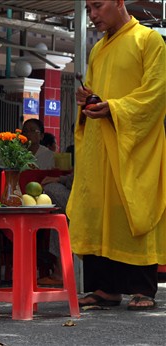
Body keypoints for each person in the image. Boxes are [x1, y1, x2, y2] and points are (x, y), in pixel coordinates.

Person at [69, 0, 165, 310]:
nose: (93, 15)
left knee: (134, 207)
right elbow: (96, 92)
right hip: (101, 144)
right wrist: (88, 100)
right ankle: (105, 288)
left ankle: (143, 288)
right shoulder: (97, 49)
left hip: (135, 144)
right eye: (89, 9)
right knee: (100, 210)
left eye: (98, 6)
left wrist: (116, 108)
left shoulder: (148, 40)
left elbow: (156, 92)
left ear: (119, 2)